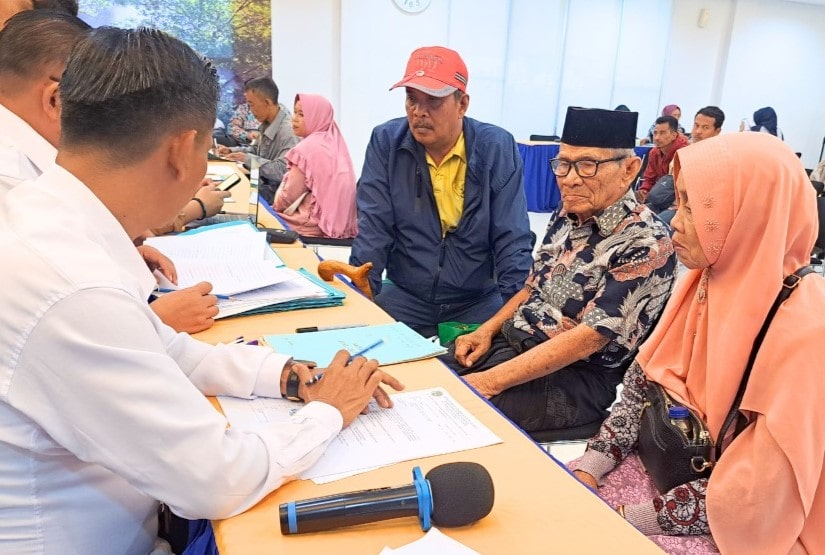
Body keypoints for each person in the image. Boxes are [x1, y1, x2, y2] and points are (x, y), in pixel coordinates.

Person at [0, 26, 403, 555]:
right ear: (183, 150)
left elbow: (165, 349)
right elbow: (216, 478)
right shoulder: (71, 284)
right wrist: (326, 411)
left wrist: (286, 376)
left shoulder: (47, 218)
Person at [571, 132, 824, 554]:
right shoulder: (701, 281)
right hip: (670, 470)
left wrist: (630, 517)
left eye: (694, 206)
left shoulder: (806, 333)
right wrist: (590, 469)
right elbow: (640, 388)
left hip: (742, 520)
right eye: (681, 201)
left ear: (750, 215)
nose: (674, 219)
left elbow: (755, 497)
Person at [440, 107, 677, 433]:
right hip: (514, 346)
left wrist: (490, 380)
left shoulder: (646, 242)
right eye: (563, 163)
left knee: (451, 415)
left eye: (588, 165)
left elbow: (589, 339)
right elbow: (532, 286)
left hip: (573, 379)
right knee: (425, 378)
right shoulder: (568, 213)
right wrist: (487, 330)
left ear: (630, 169)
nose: (570, 178)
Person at [0, 11, 225, 335]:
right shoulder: (13, 182)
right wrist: (153, 321)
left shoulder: (35, 168)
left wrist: (116, 253)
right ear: (55, 99)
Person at [351, 45, 533, 338]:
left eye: (433, 101)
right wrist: (360, 297)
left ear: (462, 105)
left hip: (476, 300)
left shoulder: (496, 148)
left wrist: (516, 316)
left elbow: (511, 238)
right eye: (411, 98)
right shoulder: (387, 142)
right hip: (406, 295)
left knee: (486, 369)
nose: (419, 112)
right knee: (369, 354)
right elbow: (374, 226)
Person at [273, 93, 357, 238]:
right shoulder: (335, 144)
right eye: (295, 112)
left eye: (302, 114)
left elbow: (286, 198)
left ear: (316, 117)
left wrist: (275, 201)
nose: (294, 118)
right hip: (338, 229)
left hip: (306, 227)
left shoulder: (306, 149)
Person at [215, 76, 299, 204]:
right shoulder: (268, 124)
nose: (250, 110)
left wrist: (246, 159)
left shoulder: (287, 132)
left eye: (251, 104)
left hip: (274, 198)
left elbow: (283, 170)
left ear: (267, 102)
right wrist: (232, 151)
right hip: (261, 188)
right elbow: (257, 149)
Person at [647, 106, 726, 223]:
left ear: (717, 131)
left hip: (691, 210)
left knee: (656, 225)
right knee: (636, 216)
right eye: (696, 125)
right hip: (668, 202)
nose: (698, 131)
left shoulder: (718, 159)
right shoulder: (684, 153)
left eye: (705, 127)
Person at [636, 115, 689, 203]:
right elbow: (649, 179)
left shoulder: (684, 153)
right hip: (659, 196)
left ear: (674, 135)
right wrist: (644, 191)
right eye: (655, 133)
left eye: (662, 133)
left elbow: (680, 188)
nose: (656, 138)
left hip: (678, 202)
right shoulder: (654, 152)